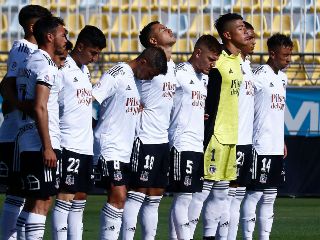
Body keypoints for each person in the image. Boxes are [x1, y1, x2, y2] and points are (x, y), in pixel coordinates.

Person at [93, 46, 168, 240]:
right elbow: (93, 99)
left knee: (120, 199)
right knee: (118, 196)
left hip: (125, 150)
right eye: (150, 74)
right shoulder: (117, 73)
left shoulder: (136, 80)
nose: (149, 79)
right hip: (109, 147)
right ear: (143, 62)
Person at [187, 13, 247, 240]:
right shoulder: (217, 59)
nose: (246, 32)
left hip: (232, 135)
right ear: (228, 34)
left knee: (222, 194)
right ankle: (187, 235)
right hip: (215, 135)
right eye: (241, 28)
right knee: (201, 194)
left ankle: (211, 237)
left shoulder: (237, 60)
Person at [121, 21, 177, 240]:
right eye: (162, 29)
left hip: (163, 139)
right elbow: (122, 82)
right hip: (143, 138)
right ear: (153, 41)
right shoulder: (143, 65)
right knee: (136, 195)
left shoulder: (173, 67)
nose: (168, 29)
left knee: (155, 197)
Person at [0, 5, 52, 239]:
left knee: (23, 194)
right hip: (17, 131)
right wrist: (22, 107)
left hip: (22, 131)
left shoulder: (35, 52)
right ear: (33, 26)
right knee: (18, 193)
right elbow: (7, 84)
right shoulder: (24, 48)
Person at [51, 25, 106, 240]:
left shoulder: (84, 71)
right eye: (93, 52)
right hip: (68, 144)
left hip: (85, 146)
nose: (95, 58)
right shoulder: (63, 69)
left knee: (80, 199)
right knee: (64, 198)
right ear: (80, 46)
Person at [14, 16, 67, 239]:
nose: (66, 39)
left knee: (33, 200)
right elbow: (40, 106)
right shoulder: (45, 64)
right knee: (43, 201)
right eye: (63, 35)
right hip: (40, 142)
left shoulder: (31, 61)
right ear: (49, 36)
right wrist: (48, 146)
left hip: (28, 139)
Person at [167, 35, 222, 240]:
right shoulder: (179, 72)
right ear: (198, 53)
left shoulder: (204, 78)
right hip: (181, 142)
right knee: (183, 198)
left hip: (197, 143)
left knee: (187, 198)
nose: (212, 64)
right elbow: (163, 98)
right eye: (210, 59)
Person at [241, 33, 292, 240]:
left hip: (275, 145)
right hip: (259, 145)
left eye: (290, 55)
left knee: (270, 196)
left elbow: (276, 112)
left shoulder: (283, 78)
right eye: (285, 55)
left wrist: (282, 140)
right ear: (272, 54)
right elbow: (244, 105)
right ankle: (247, 237)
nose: (288, 59)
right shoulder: (259, 76)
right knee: (254, 195)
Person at [215, 21, 256, 240]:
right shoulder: (221, 61)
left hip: (245, 139)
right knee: (222, 195)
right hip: (228, 137)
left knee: (236, 196)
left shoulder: (248, 66)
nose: (252, 39)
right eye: (247, 34)